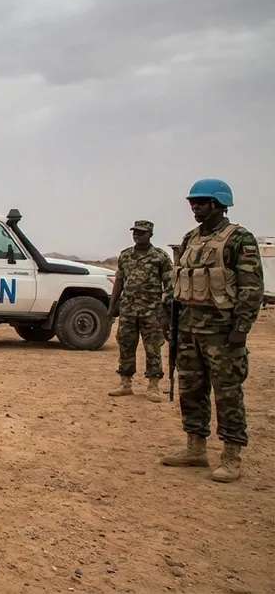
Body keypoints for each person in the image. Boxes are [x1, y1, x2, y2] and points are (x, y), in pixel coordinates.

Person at [161, 179, 263, 483]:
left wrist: (241, 329)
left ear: (218, 204)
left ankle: (231, 456)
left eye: (201, 202)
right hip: (189, 328)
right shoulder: (190, 238)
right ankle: (196, 448)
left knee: (228, 393)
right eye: (193, 202)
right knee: (191, 390)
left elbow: (251, 287)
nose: (195, 207)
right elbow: (177, 280)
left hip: (222, 331)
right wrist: (168, 315)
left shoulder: (238, 239)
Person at [107, 220, 173, 403]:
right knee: (126, 345)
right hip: (128, 310)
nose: (137, 235)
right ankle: (125, 384)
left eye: (141, 233)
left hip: (151, 312)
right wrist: (112, 307)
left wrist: (167, 312)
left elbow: (169, 285)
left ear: (150, 234)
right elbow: (119, 281)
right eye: (135, 232)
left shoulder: (160, 257)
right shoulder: (125, 256)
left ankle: (153, 386)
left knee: (153, 349)